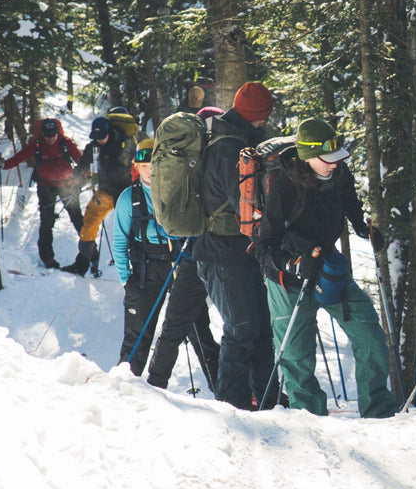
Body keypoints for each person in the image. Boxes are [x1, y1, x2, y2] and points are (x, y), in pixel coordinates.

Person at [254, 117, 397, 418]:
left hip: (329, 269)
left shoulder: (337, 172)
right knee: (296, 356)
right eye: (327, 159)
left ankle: (379, 415)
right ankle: (309, 420)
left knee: (369, 334)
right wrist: (293, 264)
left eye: (337, 158)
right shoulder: (283, 188)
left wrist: (361, 226)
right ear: (307, 156)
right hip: (286, 280)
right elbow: (264, 247)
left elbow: (348, 196)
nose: (334, 165)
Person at [193, 81, 279, 410]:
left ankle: (267, 398)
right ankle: (232, 405)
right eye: (265, 117)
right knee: (242, 329)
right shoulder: (230, 148)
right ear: (258, 116)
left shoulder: (233, 137)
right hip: (220, 251)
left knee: (259, 330)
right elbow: (243, 201)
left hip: (238, 251)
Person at [113, 139, 220, 388]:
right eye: (144, 165)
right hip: (145, 270)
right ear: (137, 169)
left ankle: (223, 389)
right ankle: (124, 388)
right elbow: (120, 241)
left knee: (199, 331)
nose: (150, 170)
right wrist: (125, 279)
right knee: (137, 335)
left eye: (155, 164)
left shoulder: (178, 191)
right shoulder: (129, 198)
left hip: (182, 264)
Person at [0, 118, 83, 268]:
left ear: (58, 133)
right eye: (48, 136)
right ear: (43, 134)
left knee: (77, 218)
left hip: (67, 186)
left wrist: (87, 175)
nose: (51, 139)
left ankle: (90, 252)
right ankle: (48, 258)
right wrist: (4, 165)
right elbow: (19, 157)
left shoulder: (65, 142)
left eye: (53, 135)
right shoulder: (36, 145)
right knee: (47, 223)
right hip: (45, 187)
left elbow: (80, 160)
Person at [63, 110, 139, 276]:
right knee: (89, 222)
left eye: (102, 136)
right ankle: (82, 264)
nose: (99, 139)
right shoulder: (94, 148)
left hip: (126, 192)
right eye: (96, 137)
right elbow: (82, 167)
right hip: (105, 192)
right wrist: (74, 185)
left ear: (109, 132)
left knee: (133, 227)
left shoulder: (125, 143)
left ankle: (139, 265)